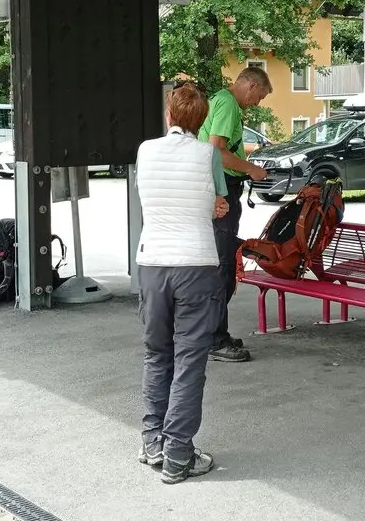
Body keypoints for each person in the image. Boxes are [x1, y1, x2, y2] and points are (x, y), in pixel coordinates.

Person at [134, 83, 232, 484]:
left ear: (169, 115)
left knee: (157, 355)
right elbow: (219, 203)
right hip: (196, 266)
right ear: (202, 120)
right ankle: (178, 455)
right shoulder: (209, 154)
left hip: (152, 264)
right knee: (190, 361)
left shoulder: (145, 150)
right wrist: (214, 205)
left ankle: (152, 443)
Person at [198, 67, 272, 363]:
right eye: (259, 96)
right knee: (224, 267)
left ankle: (215, 333)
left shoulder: (218, 99)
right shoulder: (228, 104)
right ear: (250, 85)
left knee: (222, 263)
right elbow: (216, 150)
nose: (257, 103)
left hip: (218, 189)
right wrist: (251, 168)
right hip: (223, 190)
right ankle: (214, 340)